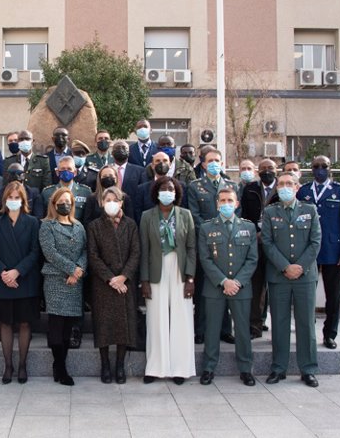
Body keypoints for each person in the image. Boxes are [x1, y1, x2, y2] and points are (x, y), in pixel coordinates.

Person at [262, 172, 321, 387]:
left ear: (297, 188)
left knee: (306, 323)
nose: (285, 187)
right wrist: (285, 266)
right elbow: (267, 243)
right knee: (279, 323)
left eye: (289, 184)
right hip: (279, 276)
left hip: (305, 276)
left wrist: (299, 267)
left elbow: (315, 242)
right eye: (281, 184)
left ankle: (308, 369)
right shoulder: (270, 212)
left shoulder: (310, 210)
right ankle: (279, 368)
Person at [198, 188, 258, 387]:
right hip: (215, 287)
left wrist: (237, 282)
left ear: (237, 203)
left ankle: (245, 369)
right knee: (212, 330)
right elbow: (205, 259)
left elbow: (252, 259)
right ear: (216, 204)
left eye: (229, 200)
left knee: (242, 330)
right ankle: (209, 368)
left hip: (241, 288)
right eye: (222, 200)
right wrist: (224, 281)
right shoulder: (207, 228)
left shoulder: (248, 228)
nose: (226, 204)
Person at [140, 177, 196, 385]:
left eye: (171, 189)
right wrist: (144, 280)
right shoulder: (147, 216)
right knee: (156, 318)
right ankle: (155, 367)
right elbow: (144, 249)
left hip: (180, 269)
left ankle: (180, 368)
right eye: (163, 188)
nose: (167, 192)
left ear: (176, 192)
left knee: (182, 317)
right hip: (156, 268)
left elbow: (191, 247)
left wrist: (190, 277)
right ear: (156, 192)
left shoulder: (186, 215)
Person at [297, 155, 340, 350]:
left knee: (333, 296)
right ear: (311, 169)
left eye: (324, 166)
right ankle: (307, 331)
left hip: (331, 250)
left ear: (330, 168)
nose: (320, 169)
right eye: (316, 166)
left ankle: (330, 334)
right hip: (307, 252)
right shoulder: (303, 191)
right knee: (306, 294)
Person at [0, 182, 41, 384]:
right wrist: (4, 272)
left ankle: (22, 365)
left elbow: (35, 252)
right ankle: (8, 365)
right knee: (6, 323)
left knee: (25, 323)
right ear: (4, 200)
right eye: (10, 197)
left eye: (17, 197)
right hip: (3, 281)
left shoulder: (33, 222)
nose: (13, 201)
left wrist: (17, 271)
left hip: (25, 280)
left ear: (23, 200)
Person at [87, 187, 140, 384]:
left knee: (123, 327)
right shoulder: (94, 226)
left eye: (114, 199)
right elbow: (93, 256)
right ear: (101, 203)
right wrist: (111, 278)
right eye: (106, 199)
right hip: (104, 284)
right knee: (104, 326)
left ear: (121, 202)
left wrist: (123, 276)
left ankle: (119, 365)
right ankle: (105, 365)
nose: (110, 202)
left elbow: (136, 253)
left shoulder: (131, 224)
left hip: (124, 283)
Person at [187, 148, 238, 345]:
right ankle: (200, 329)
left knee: (224, 285)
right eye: (210, 160)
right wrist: (212, 232)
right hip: (204, 242)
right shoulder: (195, 186)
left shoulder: (232, 185)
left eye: (218, 160)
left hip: (227, 244)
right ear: (203, 164)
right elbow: (194, 214)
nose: (214, 163)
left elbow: (235, 213)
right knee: (202, 288)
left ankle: (225, 329)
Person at [39, 188, 87, 386]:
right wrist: (70, 269)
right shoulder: (47, 226)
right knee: (56, 326)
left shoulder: (79, 226)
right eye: (61, 201)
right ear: (54, 204)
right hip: (56, 280)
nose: (65, 204)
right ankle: (60, 367)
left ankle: (60, 365)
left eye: (68, 201)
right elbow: (50, 252)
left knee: (68, 327)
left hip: (74, 282)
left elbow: (85, 250)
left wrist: (79, 270)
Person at [240, 159, 279, 339]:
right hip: (255, 244)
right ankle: (254, 326)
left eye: (270, 168)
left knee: (276, 288)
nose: (266, 171)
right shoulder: (250, 189)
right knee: (256, 287)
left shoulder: (283, 189)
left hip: (277, 246)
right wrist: (253, 233)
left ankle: (277, 326)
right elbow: (245, 217)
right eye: (262, 169)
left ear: (276, 169)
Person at [134, 151, 188, 226]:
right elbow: (138, 214)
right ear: (152, 166)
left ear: (169, 165)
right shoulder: (142, 189)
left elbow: (183, 211)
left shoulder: (181, 186)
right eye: (157, 161)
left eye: (165, 160)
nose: (161, 163)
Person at [41, 155, 92, 221]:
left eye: (69, 169)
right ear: (57, 172)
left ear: (75, 172)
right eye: (63, 169)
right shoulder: (47, 192)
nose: (66, 172)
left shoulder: (85, 192)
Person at [111, 139, 146, 205]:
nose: (121, 150)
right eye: (118, 148)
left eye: (124, 148)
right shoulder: (106, 170)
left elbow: (142, 193)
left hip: (132, 209)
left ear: (129, 152)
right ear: (112, 153)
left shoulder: (140, 171)